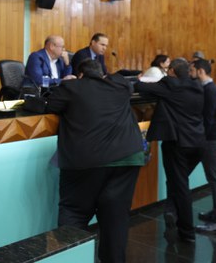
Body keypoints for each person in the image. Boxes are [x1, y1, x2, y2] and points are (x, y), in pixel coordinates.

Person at [47, 59, 145, 263]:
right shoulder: (120, 85)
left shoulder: (71, 87)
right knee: (115, 219)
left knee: (74, 213)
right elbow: (127, 83)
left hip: (85, 160)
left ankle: (72, 259)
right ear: (102, 74)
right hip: (127, 158)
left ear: (80, 74)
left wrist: (67, 83)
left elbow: (51, 105)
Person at [134, 58, 205, 243]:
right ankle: (171, 211)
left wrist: (141, 79)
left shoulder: (170, 85)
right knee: (177, 182)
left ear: (171, 71)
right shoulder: (197, 85)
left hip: (178, 143)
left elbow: (140, 87)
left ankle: (187, 232)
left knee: (180, 186)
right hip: (199, 142)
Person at [190, 58, 216, 234]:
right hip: (213, 140)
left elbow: (208, 119)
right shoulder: (208, 88)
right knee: (215, 180)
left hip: (213, 141)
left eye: (192, 70)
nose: (190, 74)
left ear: (200, 71)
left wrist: (197, 137)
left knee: (215, 181)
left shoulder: (210, 90)